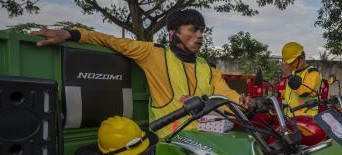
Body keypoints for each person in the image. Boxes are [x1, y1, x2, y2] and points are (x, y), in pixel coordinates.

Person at [31, 9, 254, 138]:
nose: (199, 36)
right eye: (193, 30)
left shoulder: (207, 66)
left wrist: (243, 102)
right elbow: (111, 41)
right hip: (171, 140)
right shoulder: (153, 53)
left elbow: (225, 96)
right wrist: (69, 34)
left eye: (202, 31)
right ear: (173, 33)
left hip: (206, 137)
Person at [280, 42, 322, 117]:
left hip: (306, 118)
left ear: (300, 58)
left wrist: (289, 75)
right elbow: (291, 93)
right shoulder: (293, 73)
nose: (289, 65)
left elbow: (304, 92)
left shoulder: (313, 73)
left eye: (291, 62)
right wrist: (280, 94)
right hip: (291, 117)